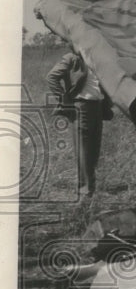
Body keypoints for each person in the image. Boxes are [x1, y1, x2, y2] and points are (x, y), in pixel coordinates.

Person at [46, 46, 114, 197]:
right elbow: (51, 77)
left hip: (97, 107)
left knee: (94, 150)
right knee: (84, 151)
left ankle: (91, 189)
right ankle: (85, 192)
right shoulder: (72, 57)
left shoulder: (96, 58)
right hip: (81, 106)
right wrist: (65, 101)